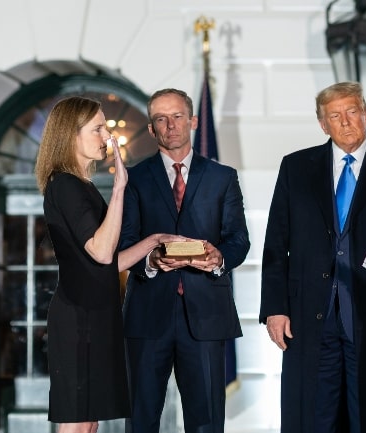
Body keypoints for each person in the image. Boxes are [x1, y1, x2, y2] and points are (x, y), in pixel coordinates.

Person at [260, 81, 366, 433]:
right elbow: (276, 243)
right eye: (335, 115)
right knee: (314, 416)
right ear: (323, 124)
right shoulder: (295, 168)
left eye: (352, 111)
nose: (346, 121)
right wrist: (275, 308)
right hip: (309, 317)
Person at [35, 96, 183, 433]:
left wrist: (154, 241)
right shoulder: (66, 185)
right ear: (71, 134)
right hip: (79, 317)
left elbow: (109, 262)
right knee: (78, 422)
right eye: (98, 128)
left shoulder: (80, 186)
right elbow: (101, 253)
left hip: (96, 314)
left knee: (89, 423)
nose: (107, 136)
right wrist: (119, 188)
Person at [119, 88, 250, 433]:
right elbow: (125, 242)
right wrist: (151, 261)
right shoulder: (134, 179)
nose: (170, 125)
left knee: (206, 423)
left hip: (206, 314)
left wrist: (219, 257)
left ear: (192, 121)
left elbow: (239, 239)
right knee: (142, 420)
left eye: (177, 116)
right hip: (148, 316)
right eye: (161, 118)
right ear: (151, 129)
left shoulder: (223, 177)